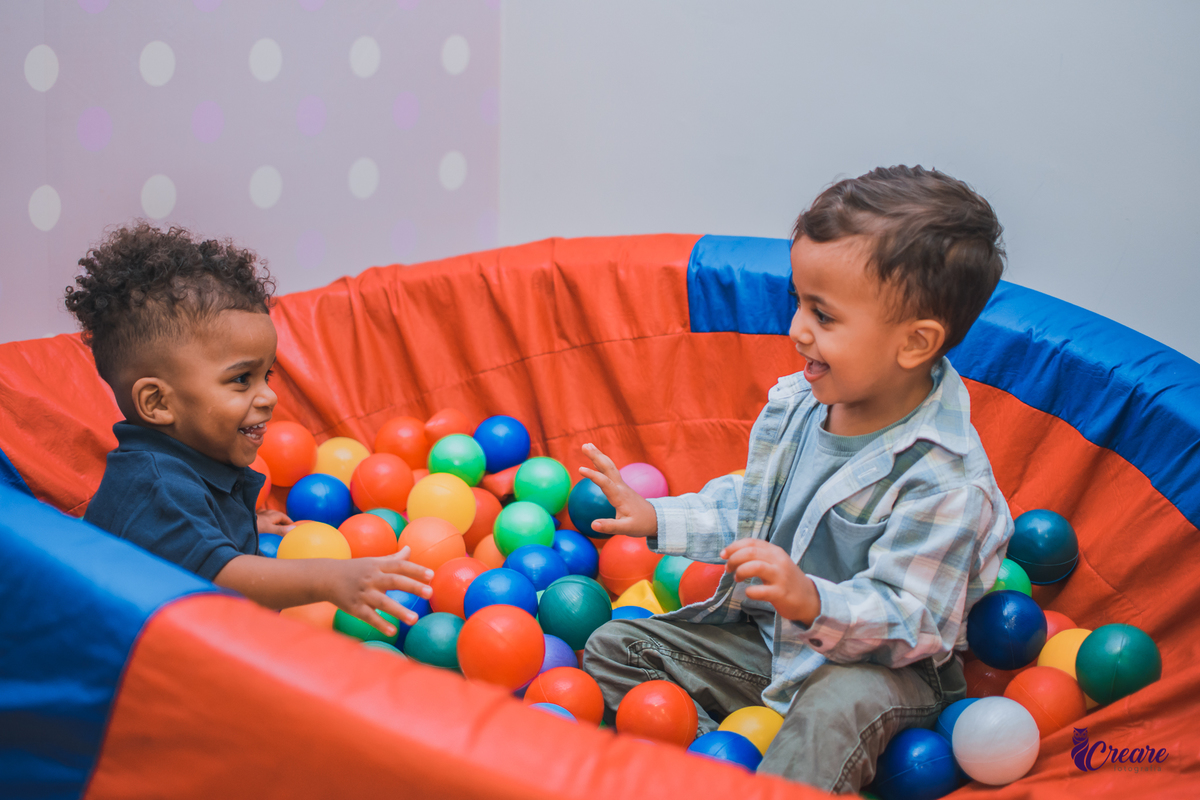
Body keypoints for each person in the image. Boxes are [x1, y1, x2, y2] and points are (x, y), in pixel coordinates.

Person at [580, 166, 1014, 793]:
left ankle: (792, 769)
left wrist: (811, 599)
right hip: (774, 645)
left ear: (915, 343)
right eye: (798, 302)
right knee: (614, 646)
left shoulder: (946, 481)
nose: (796, 331)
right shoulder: (803, 406)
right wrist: (659, 518)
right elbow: (754, 506)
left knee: (834, 710)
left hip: (883, 671)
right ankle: (722, 766)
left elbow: (917, 623)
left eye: (824, 315)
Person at [65, 223, 431, 635]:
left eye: (266, 376)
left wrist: (231, 526)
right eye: (241, 379)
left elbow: (182, 541)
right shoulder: (154, 488)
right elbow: (222, 576)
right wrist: (331, 578)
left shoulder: (191, 458)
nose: (268, 397)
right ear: (158, 403)